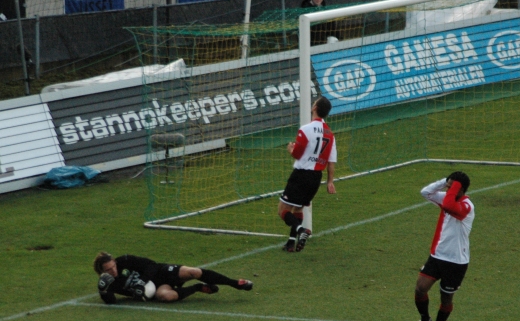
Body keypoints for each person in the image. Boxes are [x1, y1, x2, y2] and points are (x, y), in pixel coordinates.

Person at [410, 171, 475, 321]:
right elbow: (426, 192)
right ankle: (425, 320)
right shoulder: (448, 197)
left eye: (452, 186)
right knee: (420, 288)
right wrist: (445, 181)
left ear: (459, 188)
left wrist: (453, 187)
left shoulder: (467, 206)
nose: (447, 188)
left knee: (446, 298)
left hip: (456, 262)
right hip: (437, 256)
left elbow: (449, 206)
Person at [278, 96, 337, 252]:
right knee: (298, 209)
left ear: (314, 108)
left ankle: (301, 231)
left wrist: (291, 149)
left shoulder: (306, 129)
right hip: (316, 178)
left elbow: (297, 154)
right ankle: (291, 243)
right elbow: (332, 161)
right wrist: (330, 181)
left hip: (301, 175)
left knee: (282, 210)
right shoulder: (330, 134)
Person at [93, 252, 253, 304]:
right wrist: (103, 291)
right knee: (166, 296)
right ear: (102, 272)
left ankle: (235, 283)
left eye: (113, 266)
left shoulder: (125, 260)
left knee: (194, 272)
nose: (113, 270)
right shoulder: (108, 282)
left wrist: (142, 281)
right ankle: (197, 288)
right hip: (157, 289)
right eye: (108, 270)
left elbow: (152, 265)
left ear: (115, 261)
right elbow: (112, 301)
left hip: (161, 273)